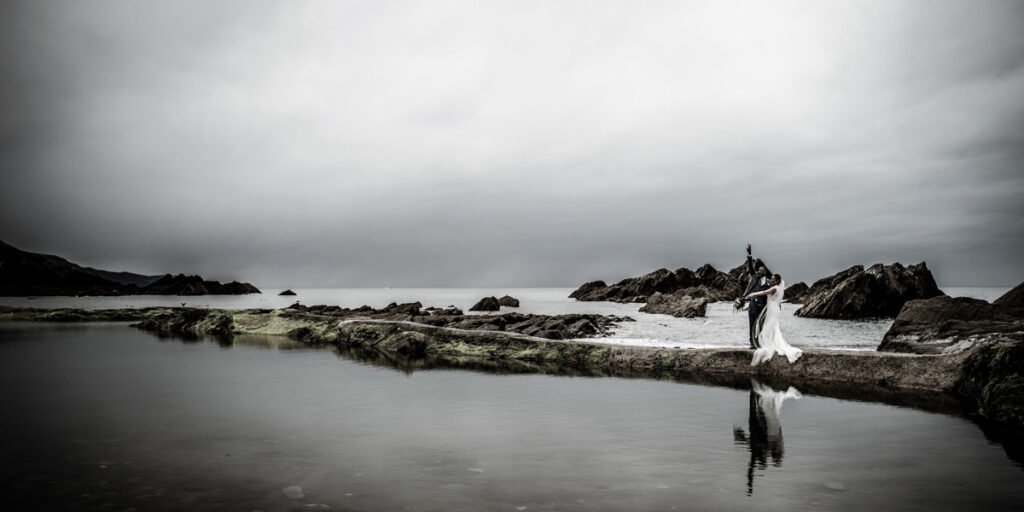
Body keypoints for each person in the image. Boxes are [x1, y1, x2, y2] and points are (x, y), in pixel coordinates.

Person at [745, 273, 803, 365]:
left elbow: (763, 293)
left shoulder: (774, 288)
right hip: (774, 308)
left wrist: (752, 294)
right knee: (772, 326)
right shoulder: (780, 288)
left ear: (777, 281)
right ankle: (772, 341)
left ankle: (769, 342)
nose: (771, 280)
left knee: (769, 326)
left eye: (772, 279)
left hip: (772, 309)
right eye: (771, 279)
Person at [743, 244, 771, 349]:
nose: (759, 271)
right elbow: (750, 267)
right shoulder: (754, 277)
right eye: (758, 270)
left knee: (762, 325)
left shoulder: (769, 282)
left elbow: (772, 294)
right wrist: (749, 255)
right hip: (753, 304)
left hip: (763, 306)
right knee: (752, 324)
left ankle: (760, 342)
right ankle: (752, 343)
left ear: (765, 273)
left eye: (761, 270)